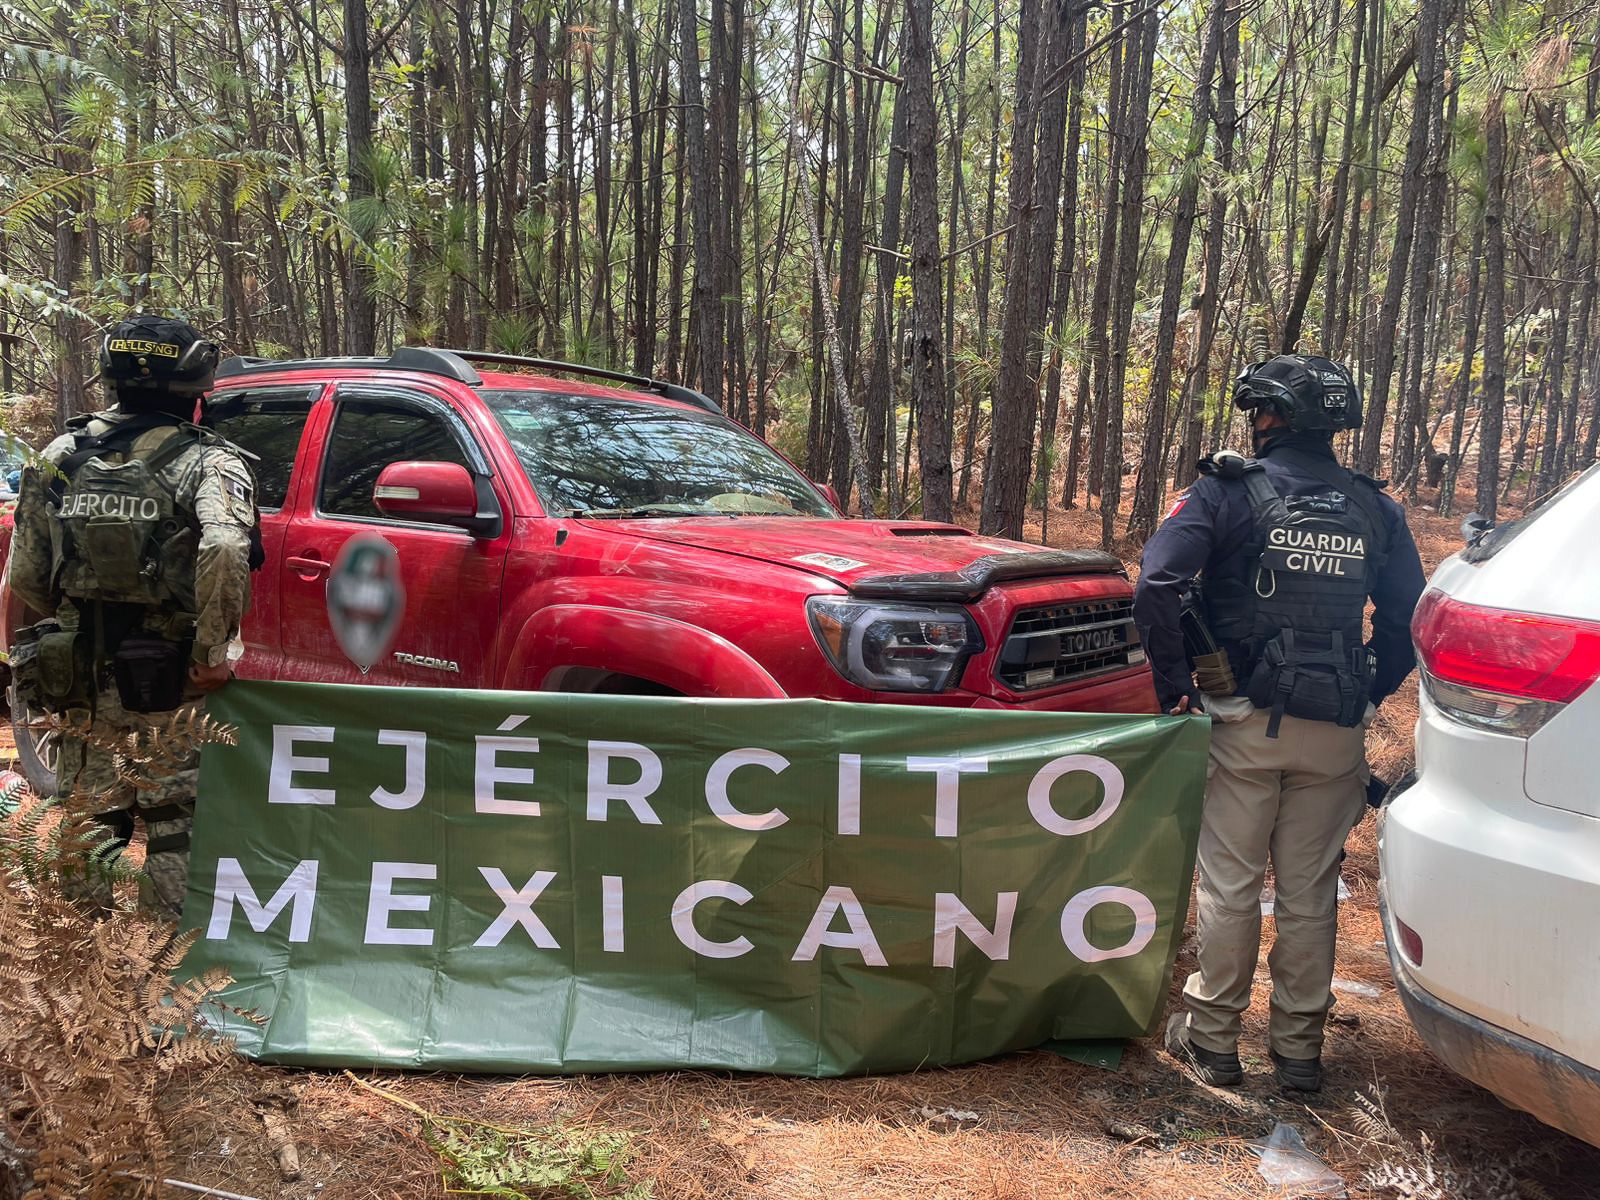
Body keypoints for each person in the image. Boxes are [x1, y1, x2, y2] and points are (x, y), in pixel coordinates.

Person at [1132, 354, 1425, 1093]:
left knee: (1231, 884)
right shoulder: (1376, 508)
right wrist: (1367, 696)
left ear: (1272, 417)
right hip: (1336, 729)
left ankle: (1212, 1040)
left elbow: (1157, 584)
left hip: (1240, 719)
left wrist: (1176, 689)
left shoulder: (1224, 492)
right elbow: (1407, 620)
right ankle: (1298, 1051)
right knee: (1310, 892)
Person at [9, 314, 257, 920]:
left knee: (89, 820)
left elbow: (27, 576)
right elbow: (226, 548)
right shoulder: (209, 462)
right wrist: (211, 652)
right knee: (173, 824)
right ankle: (163, 958)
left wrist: (79, 622)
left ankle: (81, 954)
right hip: (171, 681)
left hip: (82, 675)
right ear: (194, 389)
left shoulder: (62, 455)